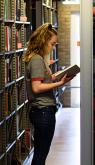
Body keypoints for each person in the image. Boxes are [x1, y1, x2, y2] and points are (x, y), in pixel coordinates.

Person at [24, 23, 74, 165]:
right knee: (40, 154)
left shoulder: (38, 58)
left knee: (41, 153)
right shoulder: (36, 60)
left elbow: (44, 79)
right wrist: (60, 83)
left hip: (42, 111)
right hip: (43, 112)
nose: (53, 47)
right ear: (43, 41)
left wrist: (59, 76)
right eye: (52, 44)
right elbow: (37, 87)